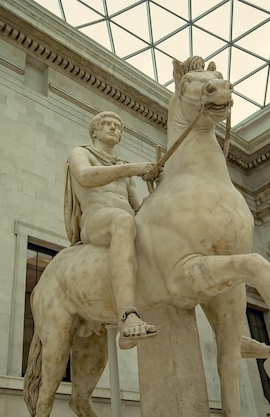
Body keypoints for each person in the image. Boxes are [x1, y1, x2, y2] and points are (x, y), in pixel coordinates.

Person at [64, 111, 157, 349]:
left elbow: (138, 208)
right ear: (94, 131)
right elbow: (85, 177)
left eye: (118, 126)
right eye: (107, 124)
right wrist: (132, 169)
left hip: (125, 219)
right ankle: (127, 316)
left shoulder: (123, 168)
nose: (113, 128)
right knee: (122, 221)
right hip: (96, 221)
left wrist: (160, 189)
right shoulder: (81, 153)